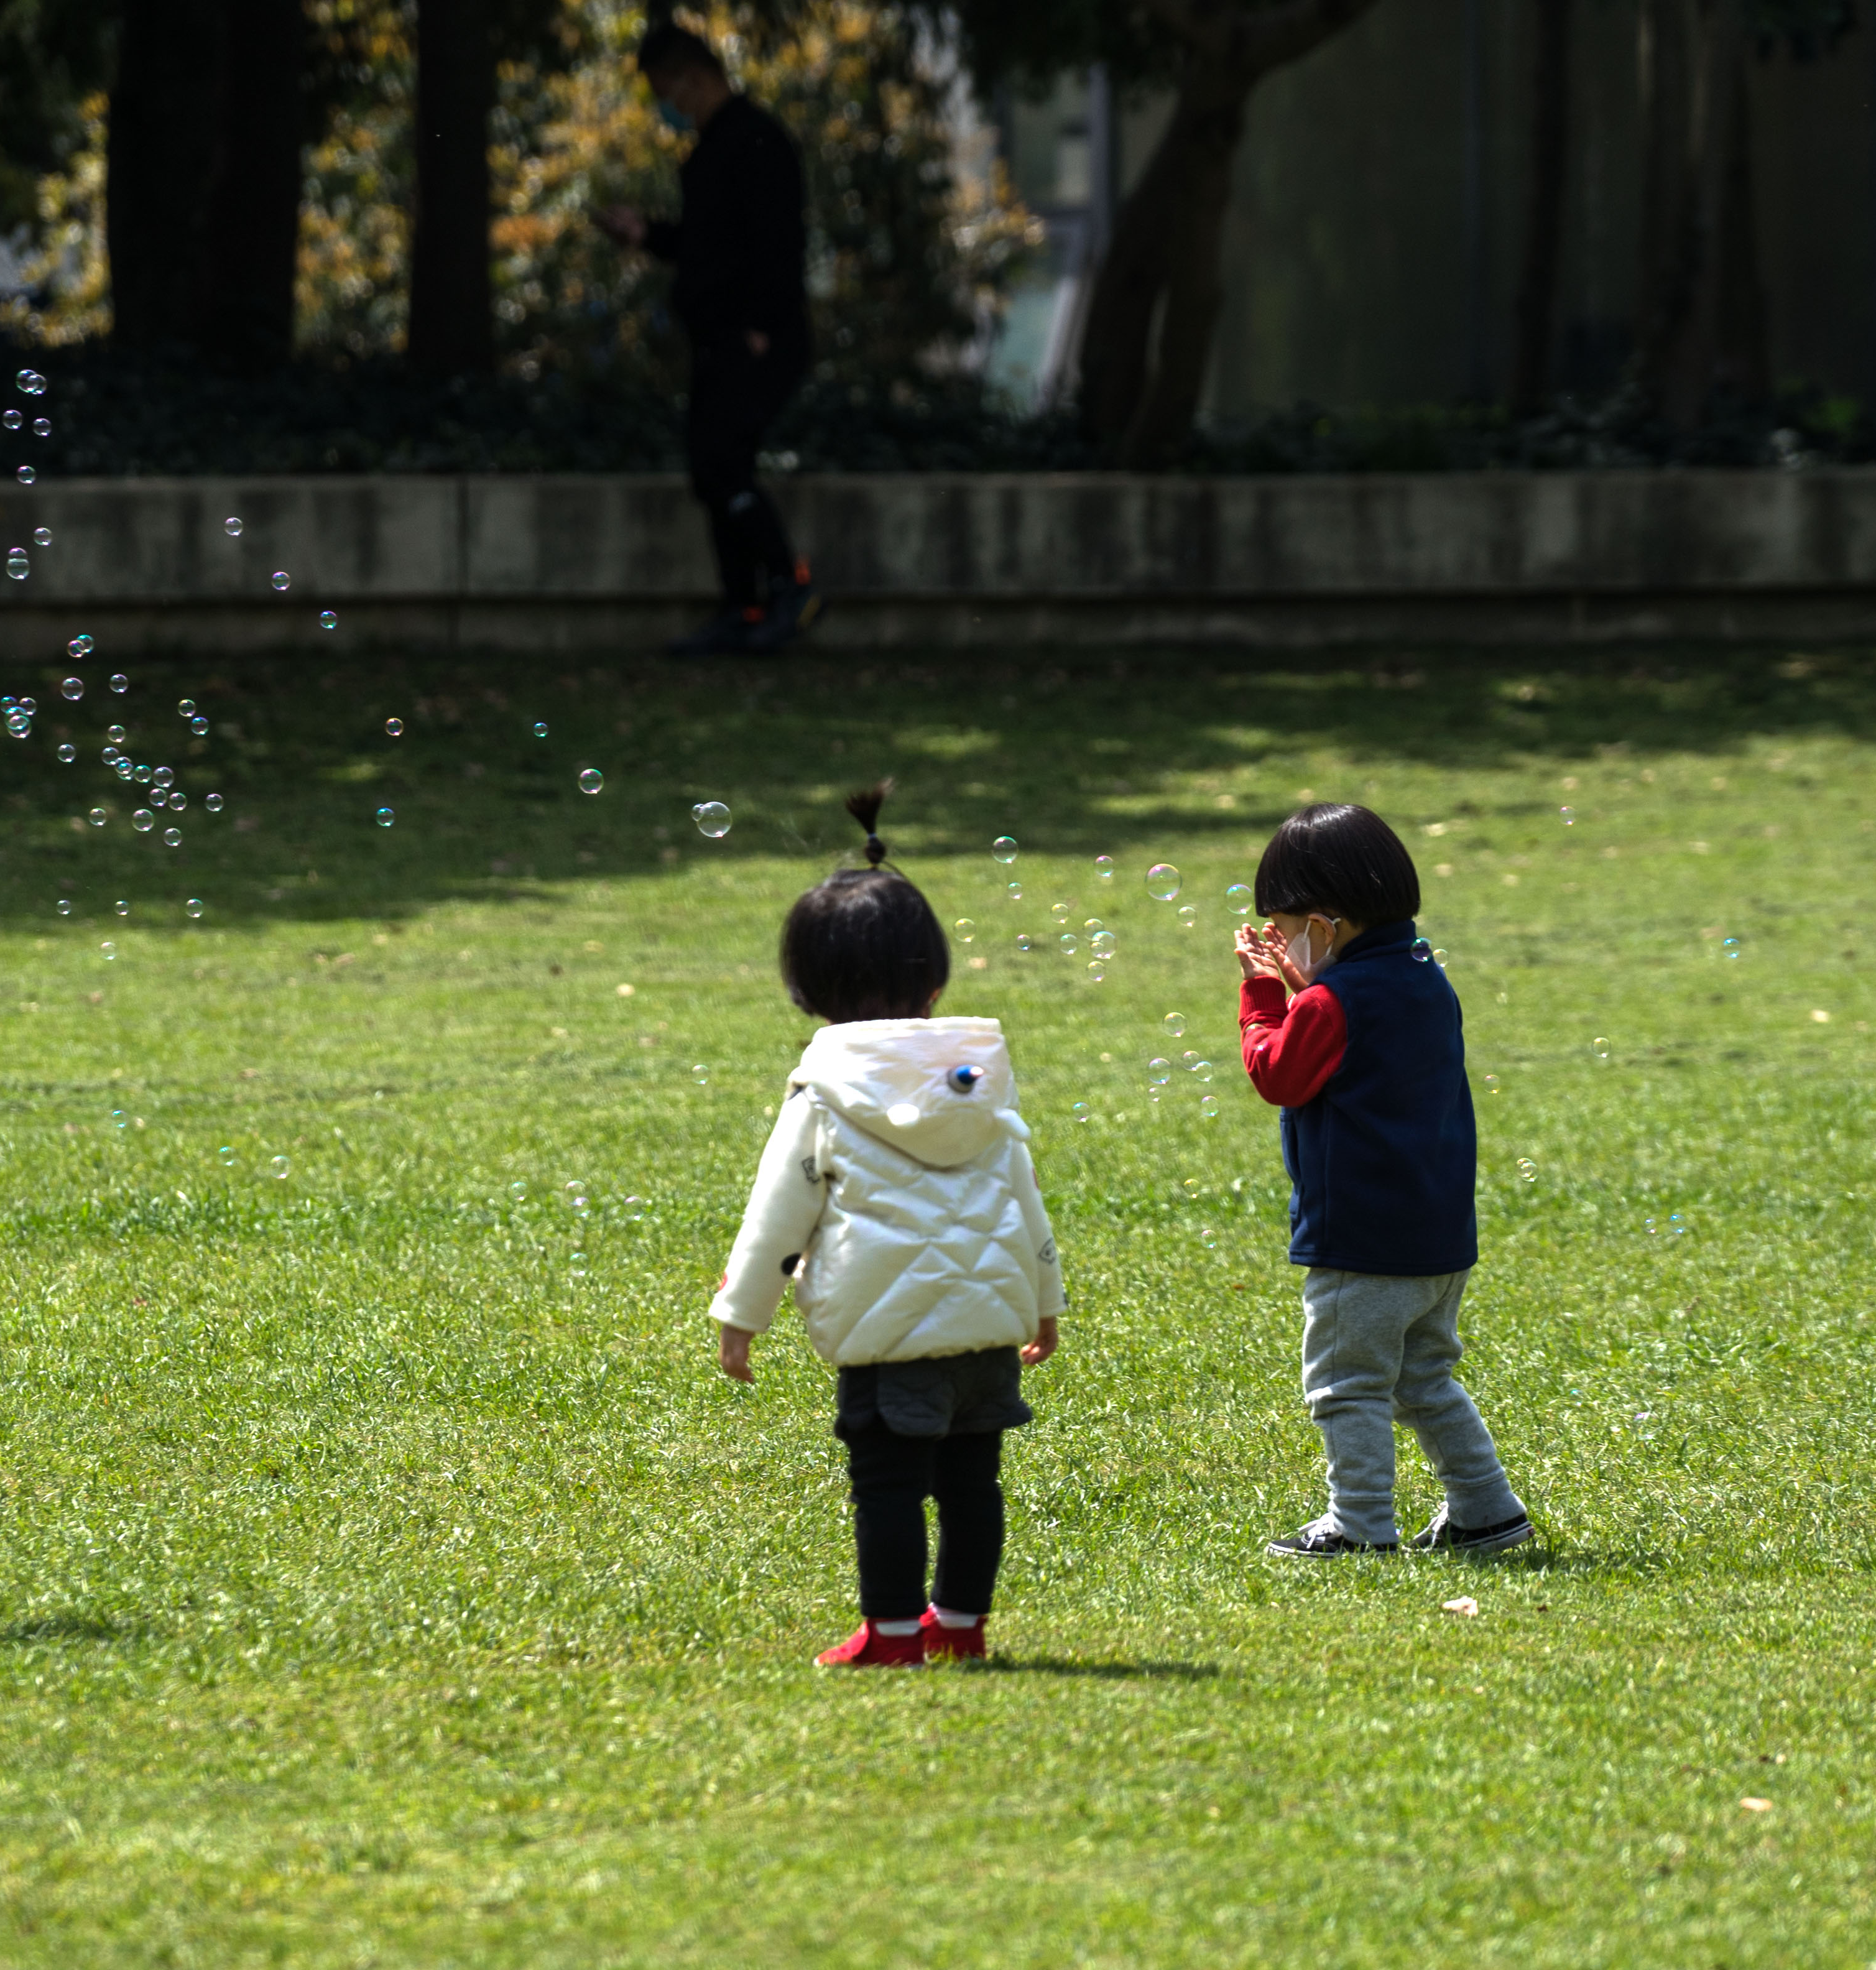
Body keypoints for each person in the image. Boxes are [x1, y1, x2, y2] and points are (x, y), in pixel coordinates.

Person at [709, 784, 1065, 1666]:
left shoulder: (824, 1089)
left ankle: (894, 1635)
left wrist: (741, 1316)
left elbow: (779, 1214)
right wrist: (1046, 1302)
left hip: (884, 1332)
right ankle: (963, 1626)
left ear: (808, 988)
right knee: (974, 1485)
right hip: (987, 1323)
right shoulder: (976, 1078)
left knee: (888, 1488)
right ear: (935, 977)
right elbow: (1024, 1196)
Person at [1234, 803, 1533, 1560]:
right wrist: (1305, 991)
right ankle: (1487, 1512)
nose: (1282, 941)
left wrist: (1265, 998)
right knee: (1424, 1379)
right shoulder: (1423, 977)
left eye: (1288, 925)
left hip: (1360, 1241)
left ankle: (1360, 1525)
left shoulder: (1332, 1001)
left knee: (1347, 1385)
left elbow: (1279, 1075)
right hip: (1436, 1235)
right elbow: (1355, 1047)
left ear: (1326, 926)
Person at [599, 24, 821, 657]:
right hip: (722, 334)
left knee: (723, 463)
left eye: (666, 91)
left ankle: (787, 587)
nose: (666, 106)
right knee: (714, 468)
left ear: (693, 79)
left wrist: (759, 326)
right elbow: (709, 249)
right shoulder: (713, 149)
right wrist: (647, 235)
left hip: (753, 338)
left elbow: (778, 244)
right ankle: (743, 607)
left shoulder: (755, 141)